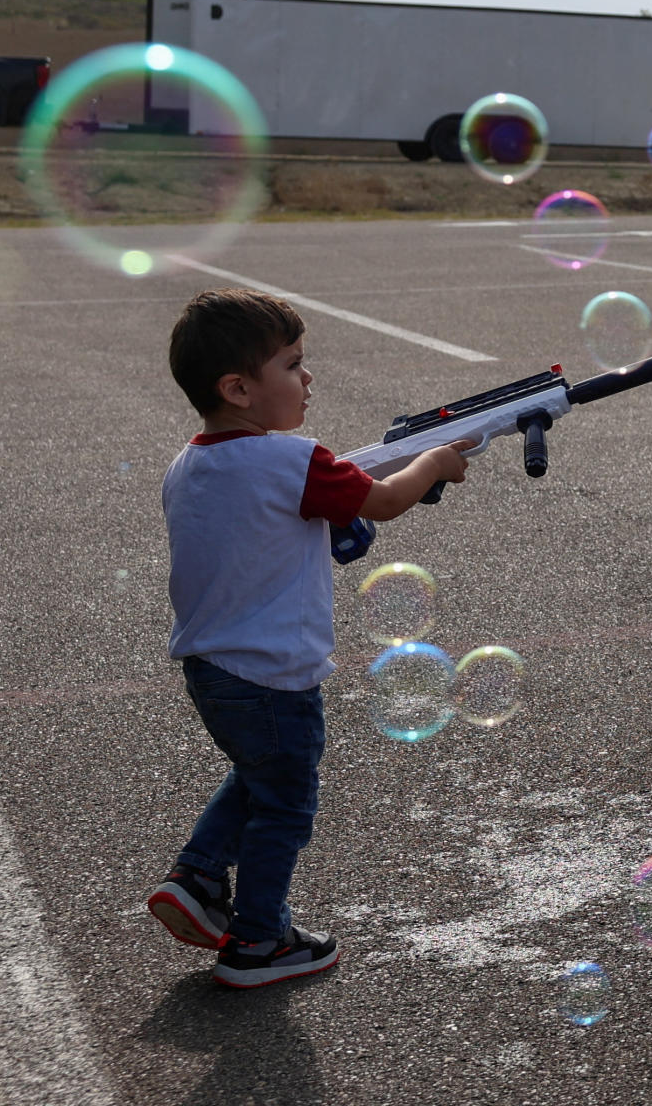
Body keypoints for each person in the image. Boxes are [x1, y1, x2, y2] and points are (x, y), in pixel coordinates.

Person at [145, 289, 466, 986]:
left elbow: (297, 517)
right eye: (292, 365)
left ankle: (198, 877)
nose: (308, 378)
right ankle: (260, 941)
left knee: (262, 774)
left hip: (211, 668)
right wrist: (433, 465)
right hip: (272, 675)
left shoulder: (188, 466)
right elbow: (380, 502)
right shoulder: (292, 460)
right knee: (286, 803)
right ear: (238, 389)